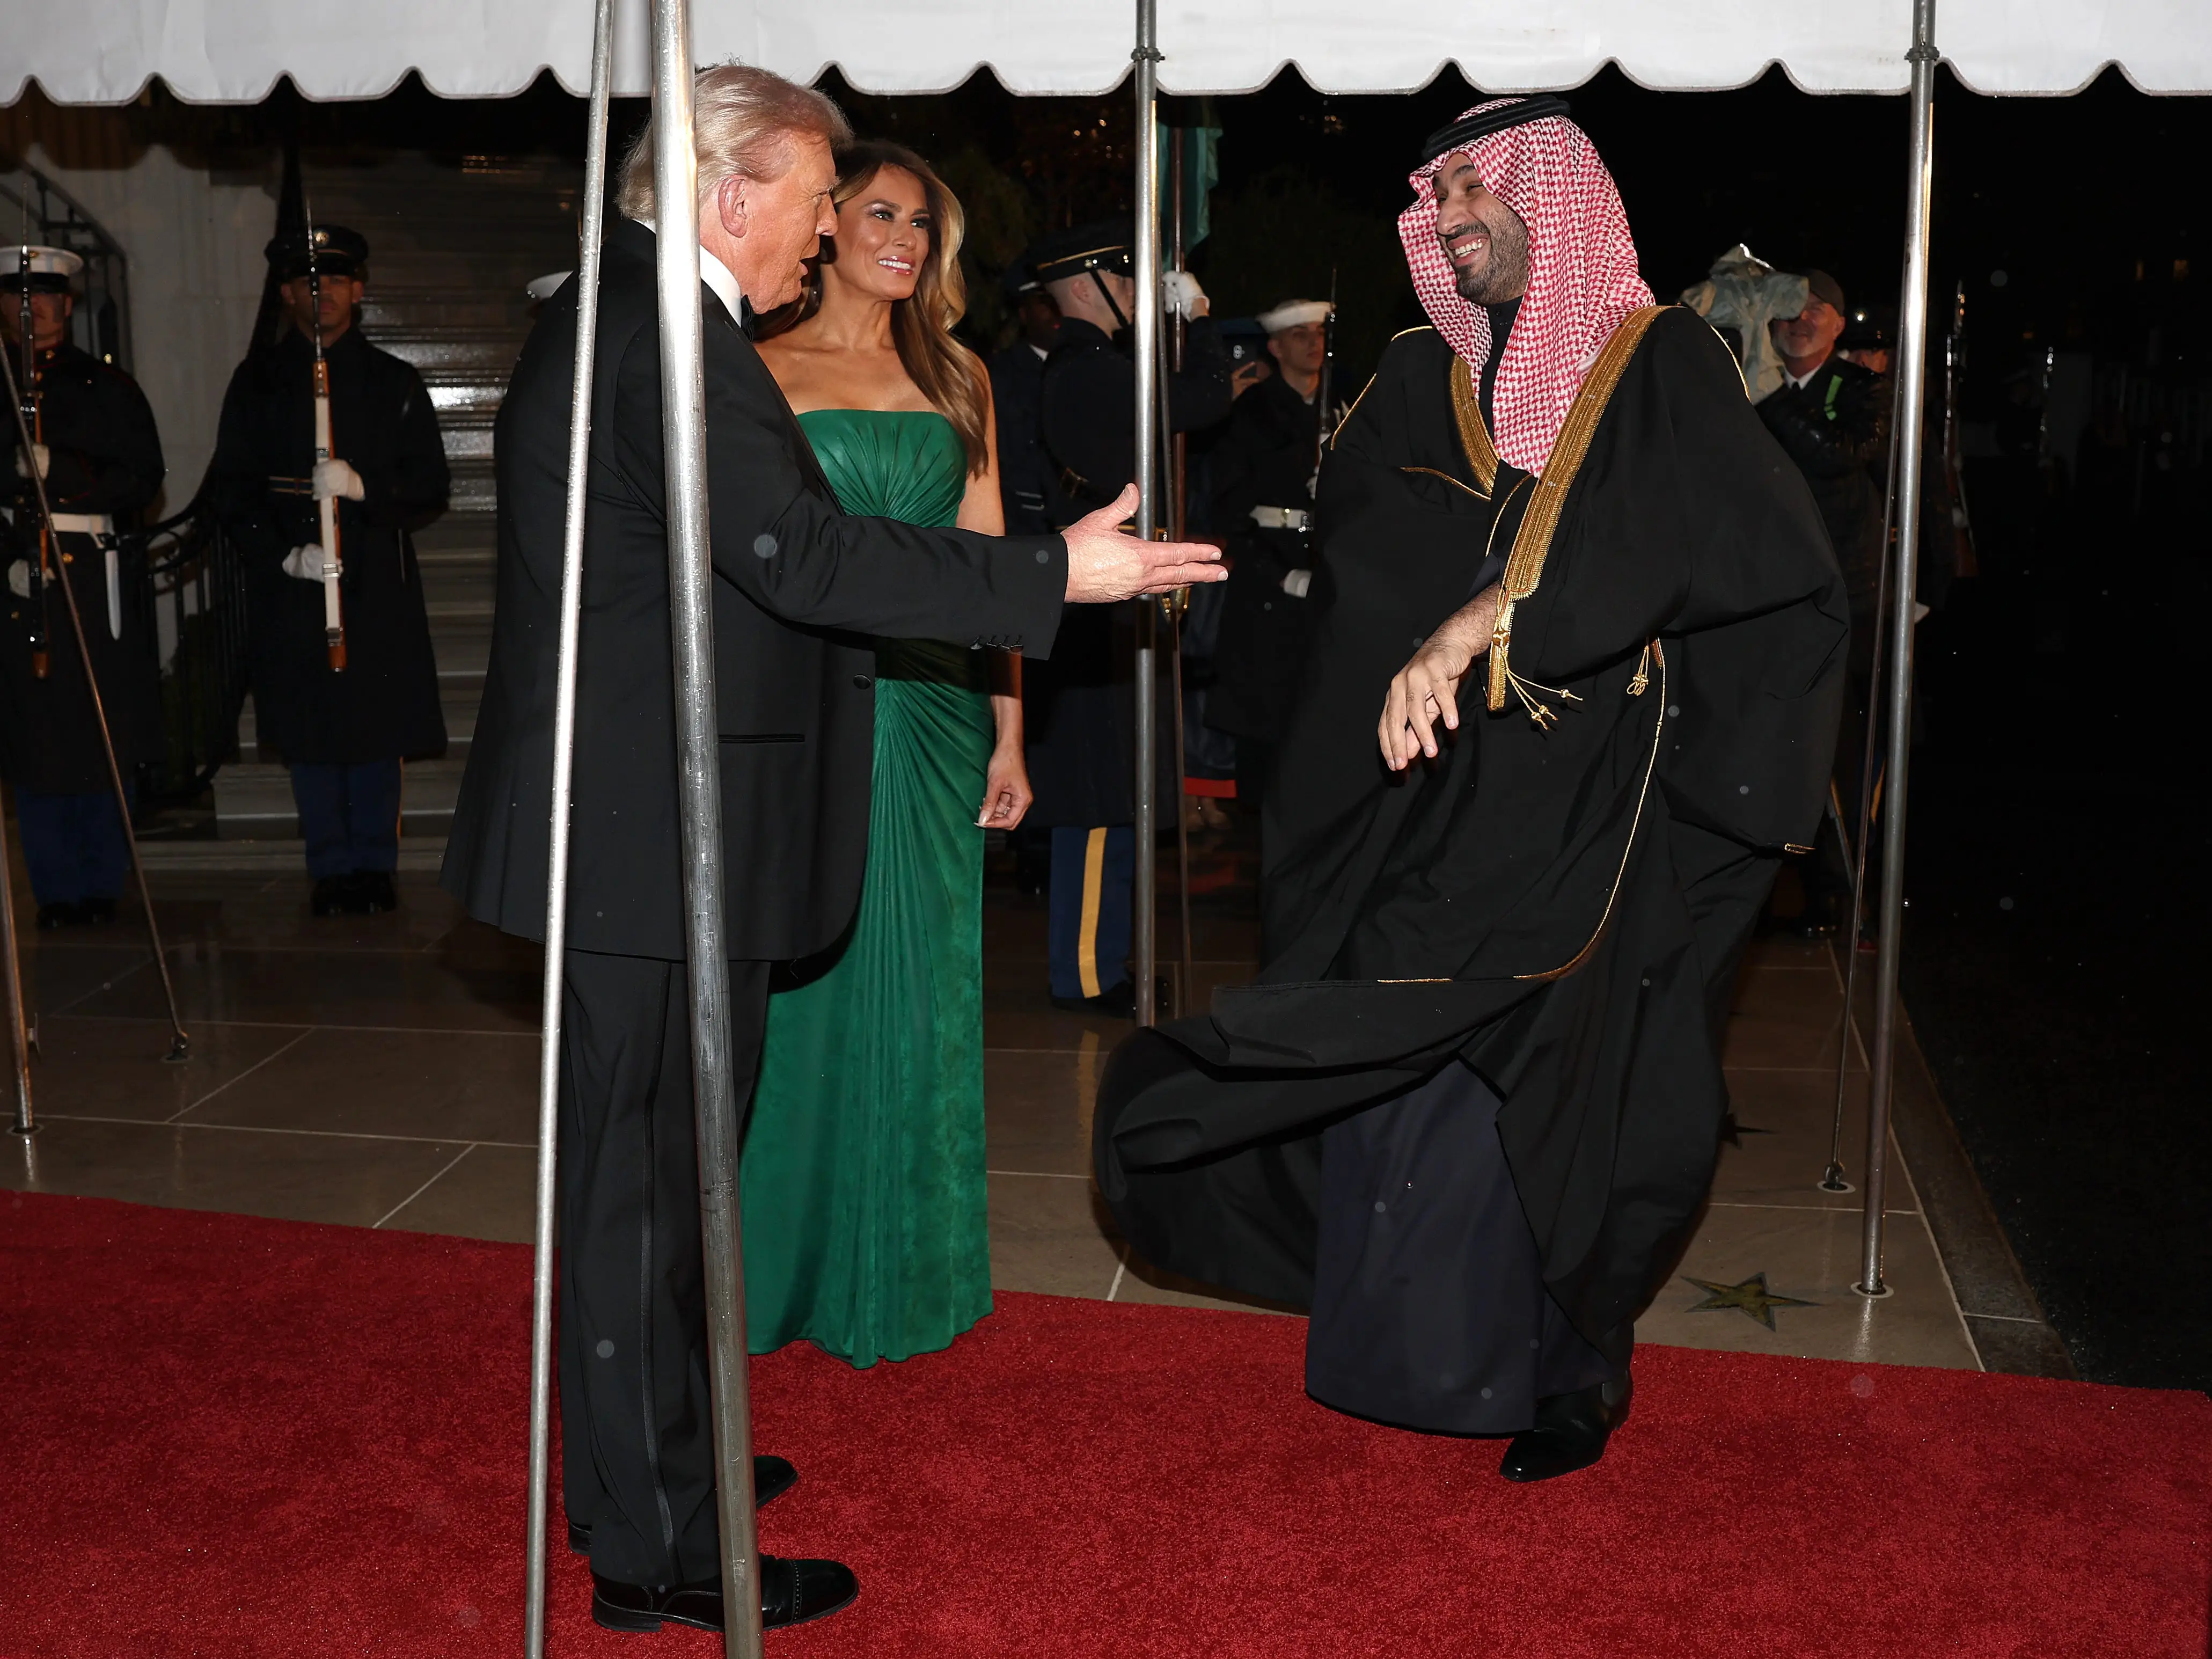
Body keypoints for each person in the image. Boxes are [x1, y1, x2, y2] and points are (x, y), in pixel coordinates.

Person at [441, 64, 1220, 1636]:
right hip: (648, 839)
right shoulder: (660, 330)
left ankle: (659, 1474)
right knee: (642, 1201)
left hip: (660, 824)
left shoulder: (656, 321)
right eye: (812, 202)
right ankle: (657, 1554)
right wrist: (1044, 575)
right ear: (736, 193)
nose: (819, 237)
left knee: (659, 1188)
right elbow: (797, 554)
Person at [1095, 96, 1845, 1483]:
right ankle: (1413, 1346)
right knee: (1404, 1048)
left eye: (1471, 191)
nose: (1447, 220)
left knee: (1578, 1084)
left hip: (1597, 806)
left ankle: (1572, 1373)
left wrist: (1497, 610)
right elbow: (1367, 570)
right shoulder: (1406, 371)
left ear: (1550, 195)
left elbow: (1728, 552)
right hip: (1425, 789)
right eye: (1433, 197)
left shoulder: (1658, 361)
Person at [740, 141, 1029, 1368]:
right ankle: (775, 1267)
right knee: (803, 987)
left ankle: (903, 1272)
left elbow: (991, 563)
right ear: (825, 223)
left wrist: (1009, 730)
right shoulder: (754, 370)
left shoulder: (958, 373)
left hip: (934, 714)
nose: (905, 235)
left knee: (920, 983)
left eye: (924, 219)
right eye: (878, 211)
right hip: (811, 709)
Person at [208, 224, 449, 917]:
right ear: (286, 293)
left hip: (373, 582)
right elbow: (233, 488)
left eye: (338, 280)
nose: (325, 293)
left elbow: (430, 484)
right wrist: (283, 553)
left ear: (360, 290)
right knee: (310, 726)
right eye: (308, 282)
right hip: (295, 584)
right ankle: (330, 863)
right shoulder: (256, 385)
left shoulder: (394, 382)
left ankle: (373, 862)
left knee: (374, 727)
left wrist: (365, 486)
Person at [1027, 221, 1236, 1014]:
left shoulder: (1097, 366)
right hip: (1089, 603)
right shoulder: (1087, 368)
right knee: (1092, 796)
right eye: (1123, 280)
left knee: (1115, 793)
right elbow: (1206, 398)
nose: (1135, 292)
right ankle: (1082, 969)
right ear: (1087, 286)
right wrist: (1201, 317)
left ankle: (1103, 958)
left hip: (1108, 596)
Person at [0, 245, 163, 929]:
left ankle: (101, 880)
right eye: (17, 295)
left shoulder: (109, 388)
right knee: (35, 733)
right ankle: (55, 888)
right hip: (12, 572)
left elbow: (142, 476)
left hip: (89, 572)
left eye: (45, 295)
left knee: (99, 727)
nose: (31, 307)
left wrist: (58, 469)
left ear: (67, 305)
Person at [1760, 269, 1890, 937]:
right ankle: (1782, 896)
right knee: (1770, 752)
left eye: (1818, 308)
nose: (1800, 317)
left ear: (1840, 324)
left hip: (1845, 607)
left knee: (1837, 758)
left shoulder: (1861, 390)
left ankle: (1841, 901)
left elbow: (1844, 453)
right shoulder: (1747, 391)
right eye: (1788, 305)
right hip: (1765, 607)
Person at [1205, 297, 1333, 817]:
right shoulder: (1251, 411)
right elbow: (1231, 511)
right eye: (1298, 334)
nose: (1312, 342)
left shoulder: (1344, 405)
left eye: (1318, 332)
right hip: (1269, 581)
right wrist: (1278, 576)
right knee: (1266, 722)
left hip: (1326, 570)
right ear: (1276, 347)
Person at [987, 260, 1059, 537]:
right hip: (1022, 525)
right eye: (1043, 303)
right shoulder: (1000, 374)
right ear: (1024, 313)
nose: (1055, 312)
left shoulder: (1089, 367)